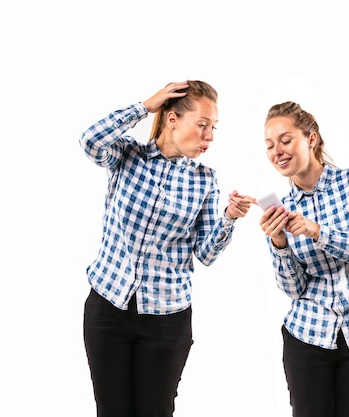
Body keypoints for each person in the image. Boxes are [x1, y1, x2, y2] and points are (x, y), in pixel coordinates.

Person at [79, 80, 256, 417]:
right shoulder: (127, 155)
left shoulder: (205, 180)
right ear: (172, 119)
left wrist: (229, 217)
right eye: (202, 125)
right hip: (108, 309)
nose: (210, 137)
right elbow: (89, 141)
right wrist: (145, 106)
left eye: (214, 128)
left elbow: (205, 254)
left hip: (166, 320)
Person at [258, 101, 349, 417]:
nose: (276, 151)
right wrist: (278, 242)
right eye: (269, 145)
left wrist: (318, 232)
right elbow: (293, 289)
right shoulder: (284, 207)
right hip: (307, 339)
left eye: (285, 139)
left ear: (311, 139)